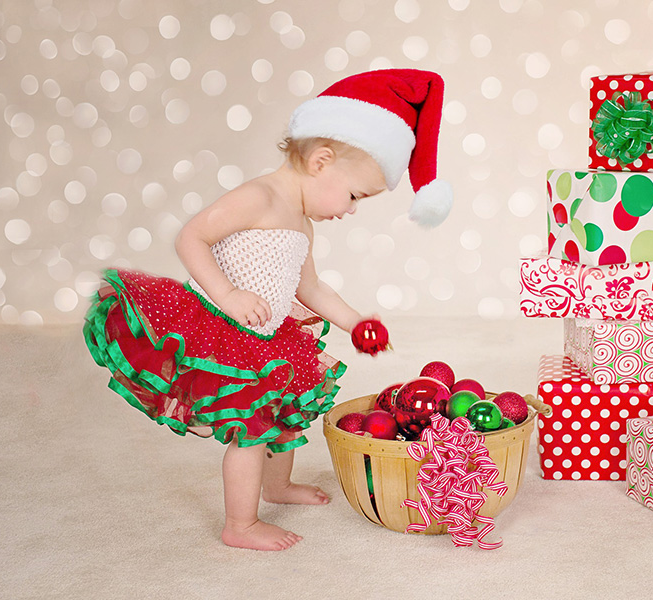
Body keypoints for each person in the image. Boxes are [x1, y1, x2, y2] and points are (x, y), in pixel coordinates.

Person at [83, 69, 452, 551]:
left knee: (284, 412)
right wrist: (228, 295)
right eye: (354, 196)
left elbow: (310, 287)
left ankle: (277, 486)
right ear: (321, 161)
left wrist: (355, 321)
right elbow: (192, 237)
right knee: (252, 432)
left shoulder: (302, 223)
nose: (351, 210)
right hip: (222, 329)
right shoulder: (258, 197)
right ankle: (240, 524)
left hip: (267, 334)